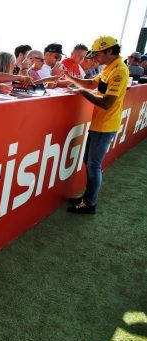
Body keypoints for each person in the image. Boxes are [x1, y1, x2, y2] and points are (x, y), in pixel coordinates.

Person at [64, 36, 129, 214]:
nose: (94, 58)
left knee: (93, 165)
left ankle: (90, 203)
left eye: (98, 54)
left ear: (109, 51)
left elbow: (107, 103)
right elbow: (92, 83)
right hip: (99, 123)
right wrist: (68, 77)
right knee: (89, 162)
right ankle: (87, 197)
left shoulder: (120, 71)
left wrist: (82, 92)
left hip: (106, 125)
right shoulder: (109, 67)